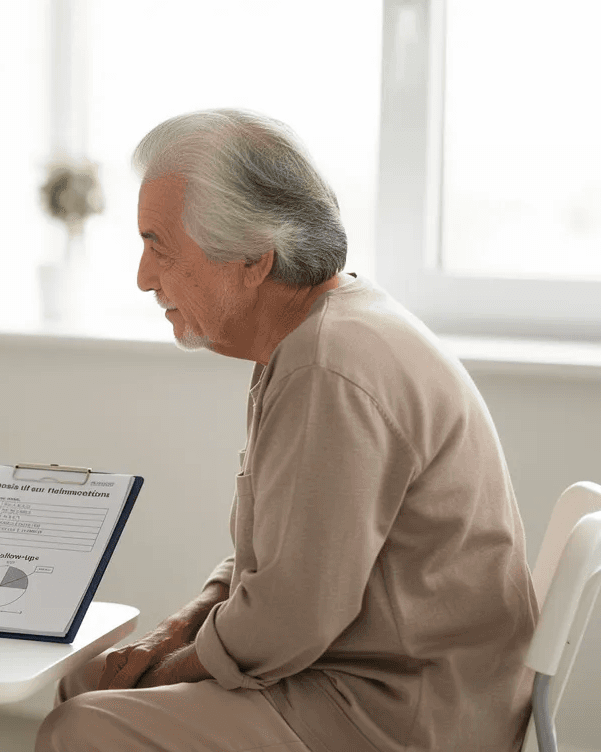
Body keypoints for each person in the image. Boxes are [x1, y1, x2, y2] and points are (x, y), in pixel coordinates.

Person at [36, 109, 537, 752]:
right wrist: (175, 632)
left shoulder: (330, 364)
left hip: (401, 716)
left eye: (159, 247)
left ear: (252, 260)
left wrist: (166, 672)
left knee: (82, 725)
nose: (143, 277)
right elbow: (279, 562)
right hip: (377, 683)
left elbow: (286, 621)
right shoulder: (324, 333)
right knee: (88, 687)